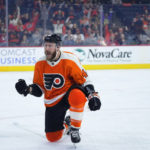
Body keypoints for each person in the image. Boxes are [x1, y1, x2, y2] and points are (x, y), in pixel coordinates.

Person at [15, 34, 101, 143]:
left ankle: (75, 129)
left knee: (77, 95)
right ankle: (67, 123)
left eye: (50, 46)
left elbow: (84, 81)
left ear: (58, 47)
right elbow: (40, 89)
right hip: (53, 101)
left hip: (70, 94)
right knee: (53, 137)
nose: (47, 49)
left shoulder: (70, 59)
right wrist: (28, 89)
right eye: (45, 46)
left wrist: (93, 95)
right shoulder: (40, 64)